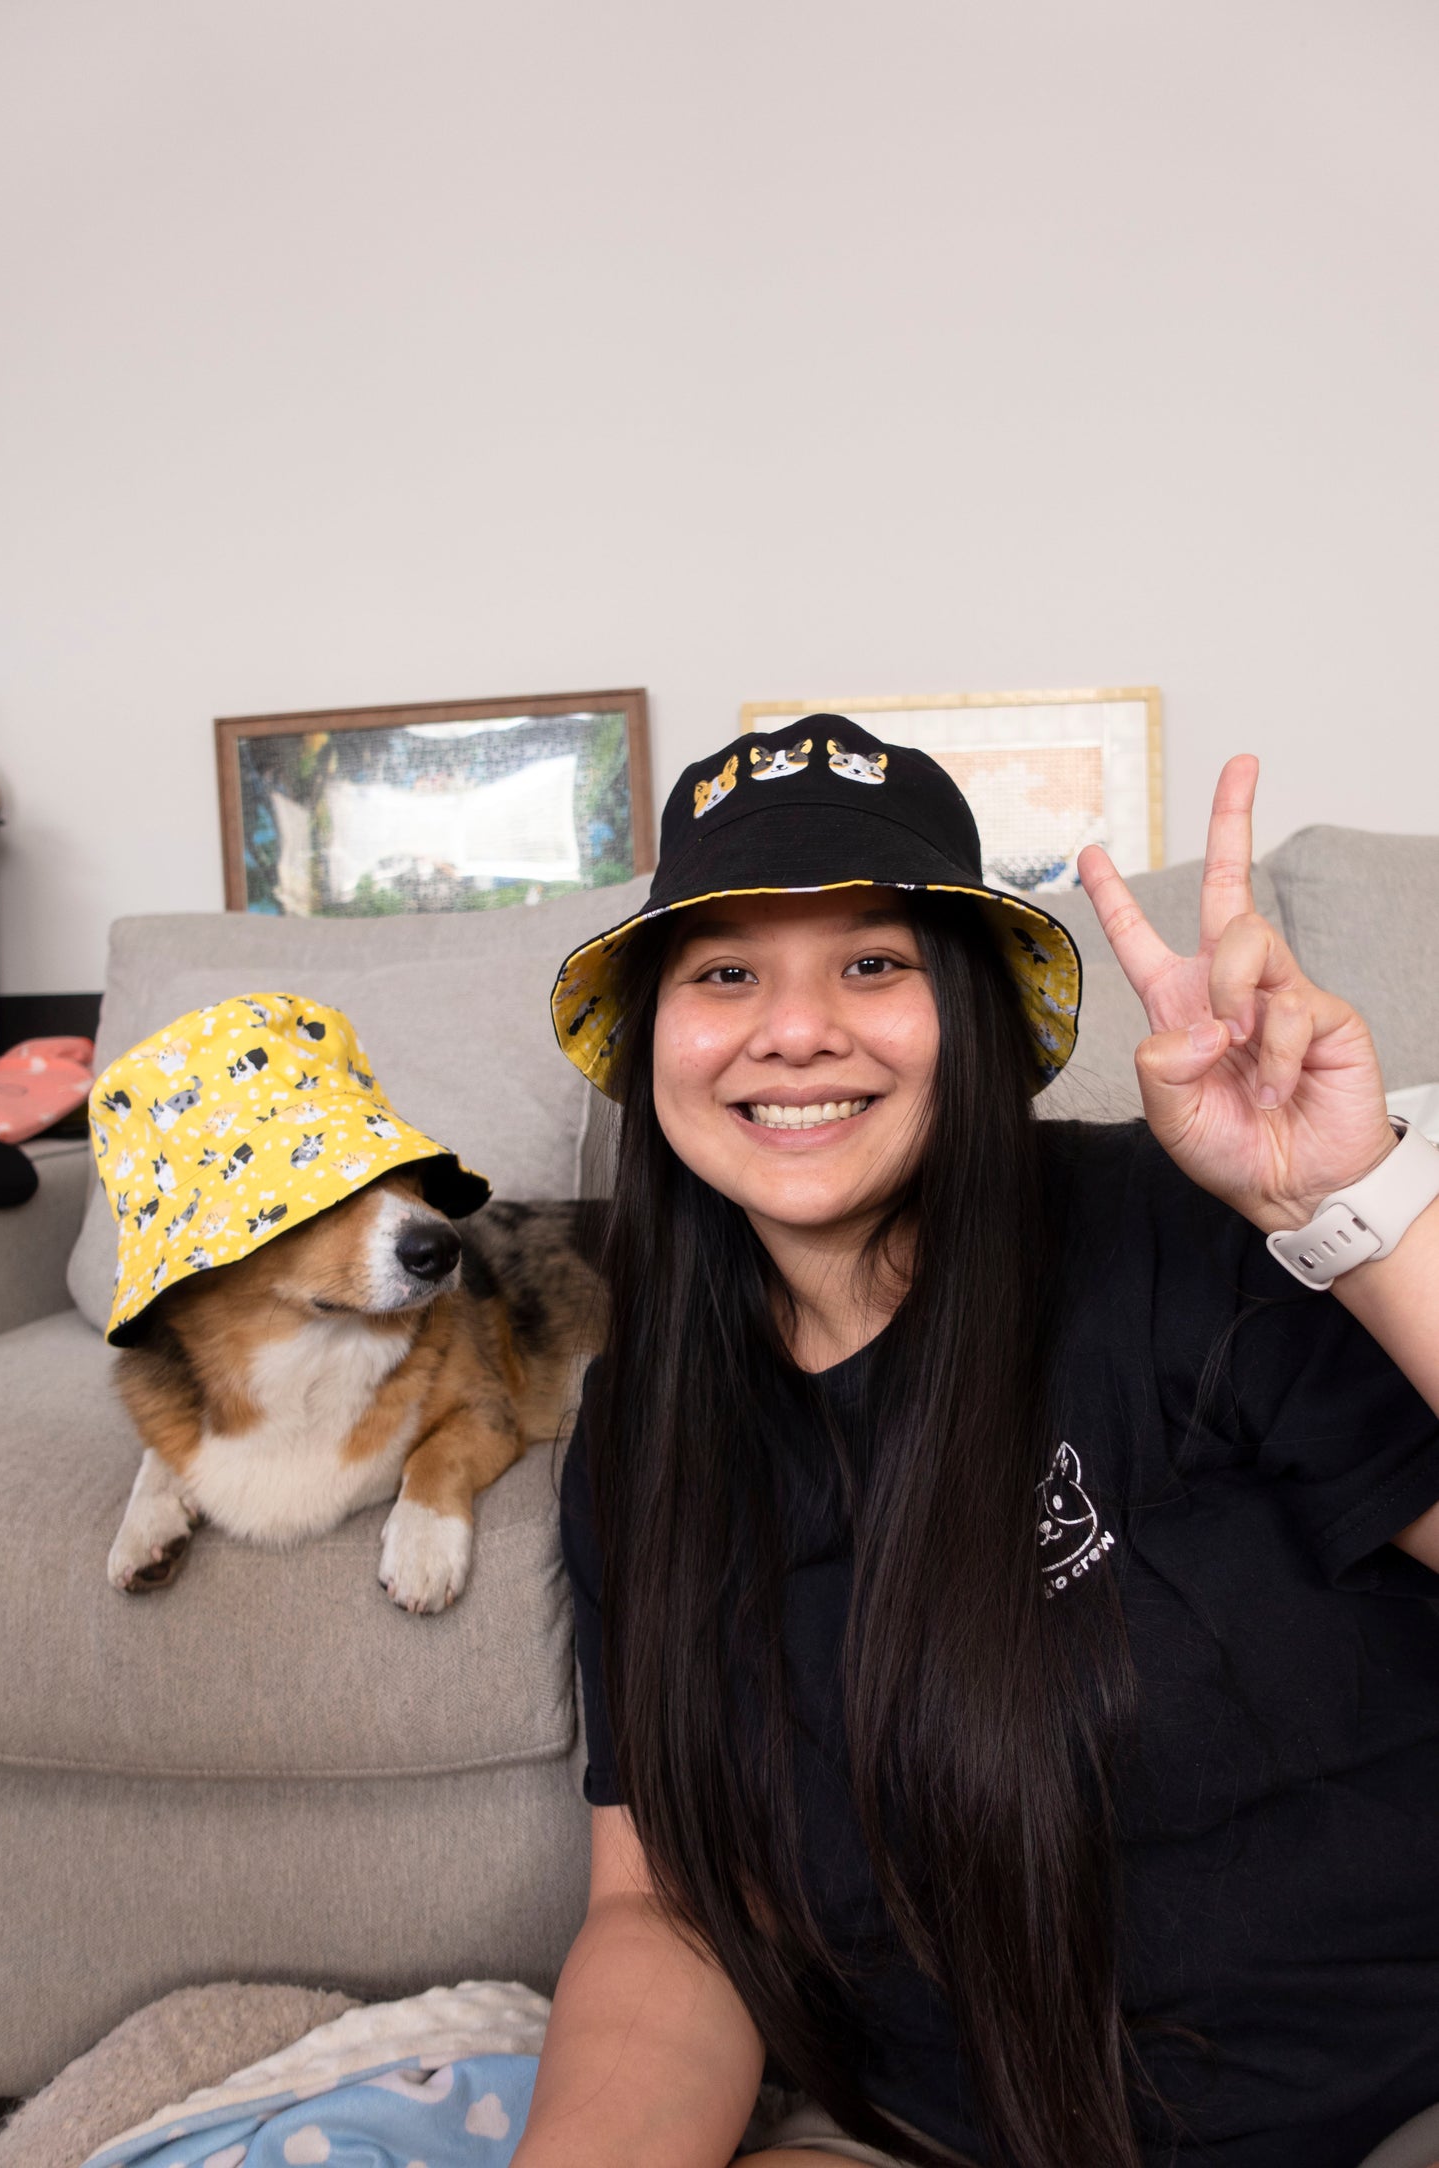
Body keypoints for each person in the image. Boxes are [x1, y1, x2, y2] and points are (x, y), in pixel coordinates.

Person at [513, 717, 1439, 2168]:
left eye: (872, 964)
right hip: (943, 2133)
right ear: (652, 1042)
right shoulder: (638, 1432)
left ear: (970, 1009)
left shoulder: (1176, 1222)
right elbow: (668, 1914)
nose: (795, 1027)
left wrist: (1355, 1204)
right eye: (725, 972)